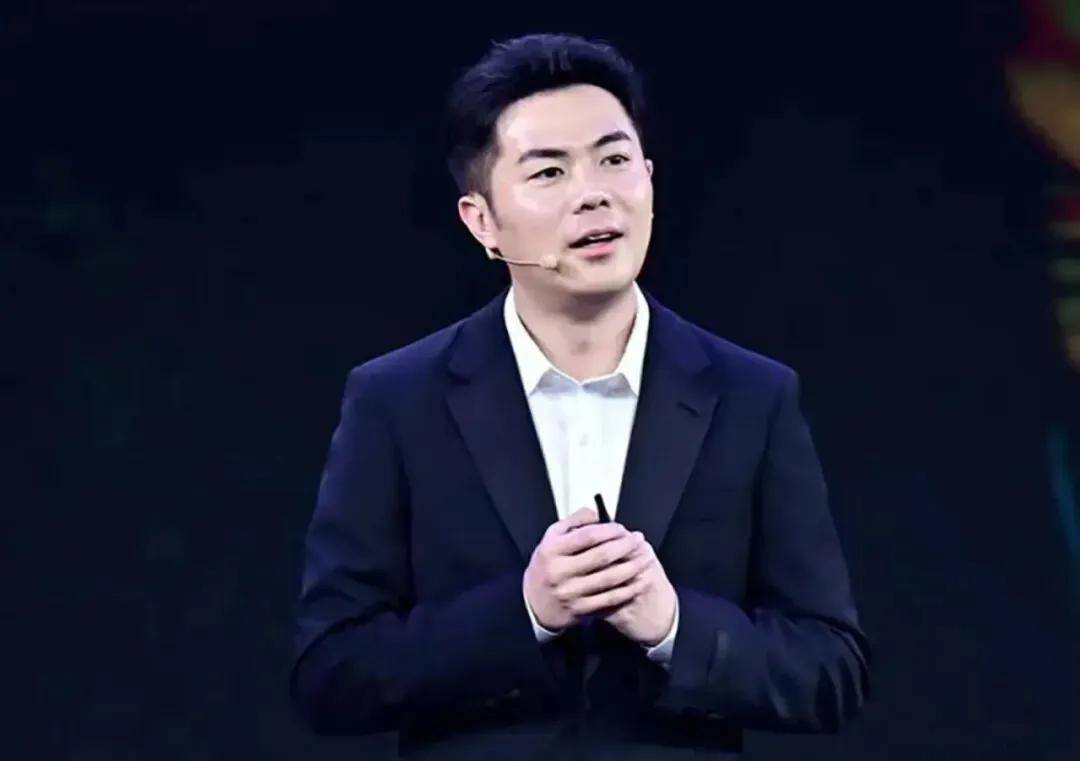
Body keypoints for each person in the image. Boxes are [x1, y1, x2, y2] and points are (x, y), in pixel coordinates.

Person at [290, 32, 870, 759]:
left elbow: (831, 668)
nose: (593, 192)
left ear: (650, 180)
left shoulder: (752, 395)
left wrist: (675, 626)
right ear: (481, 221)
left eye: (614, 160)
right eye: (549, 171)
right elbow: (330, 672)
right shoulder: (397, 399)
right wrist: (525, 611)